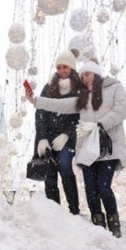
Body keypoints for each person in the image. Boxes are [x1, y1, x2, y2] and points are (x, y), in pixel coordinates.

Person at [27, 59, 126, 237]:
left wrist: (100, 124)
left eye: (87, 74)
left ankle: (114, 223)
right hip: (88, 150)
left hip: (108, 148)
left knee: (103, 187)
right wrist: (35, 101)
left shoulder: (114, 88)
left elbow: (123, 108)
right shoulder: (83, 98)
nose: (84, 79)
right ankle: (98, 223)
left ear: (96, 74)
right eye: (82, 76)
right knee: (90, 189)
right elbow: (60, 105)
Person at [33, 49, 83, 215]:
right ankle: (55, 214)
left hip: (67, 138)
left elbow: (79, 116)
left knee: (64, 166)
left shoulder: (79, 89)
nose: (62, 71)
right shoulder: (48, 88)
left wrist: (67, 134)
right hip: (48, 137)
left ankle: (74, 211)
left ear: (72, 68)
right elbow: (40, 113)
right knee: (49, 173)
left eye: (65, 67)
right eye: (59, 67)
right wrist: (42, 138)